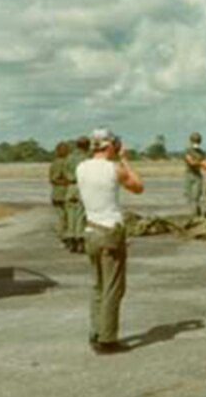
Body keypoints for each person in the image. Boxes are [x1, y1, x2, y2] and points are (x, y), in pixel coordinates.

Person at [77, 128, 144, 355]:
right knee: (113, 288)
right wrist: (124, 159)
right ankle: (108, 339)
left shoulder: (81, 168)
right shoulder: (114, 169)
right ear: (109, 146)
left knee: (97, 285)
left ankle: (95, 332)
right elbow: (138, 186)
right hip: (109, 231)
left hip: (90, 230)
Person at [64, 136, 91, 253]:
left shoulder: (69, 158)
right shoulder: (87, 158)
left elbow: (64, 172)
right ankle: (79, 238)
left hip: (70, 186)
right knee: (81, 213)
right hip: (82, 186)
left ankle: (71, 237)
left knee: (70, 213)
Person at [184, 132, 206, 216]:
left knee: (196, 196)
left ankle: (196, 213)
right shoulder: (188, 150)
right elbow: (191, 162)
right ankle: (193, 213)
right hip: (189, 175)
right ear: (191, 141)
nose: (196, 142)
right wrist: (202, 163)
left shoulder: (201, 152)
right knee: (189, 196)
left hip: (197, 176)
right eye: (195, 140)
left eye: (197, 140)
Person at [49, 142, 70, 242]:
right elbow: (54, 179)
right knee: (64, 216)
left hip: (59, 193)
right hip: (61, 193)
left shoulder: (57, 162)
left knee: (64, 216)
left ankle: (63, 234)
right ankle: (62, 234)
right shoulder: (60, 163)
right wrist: (67, 182)